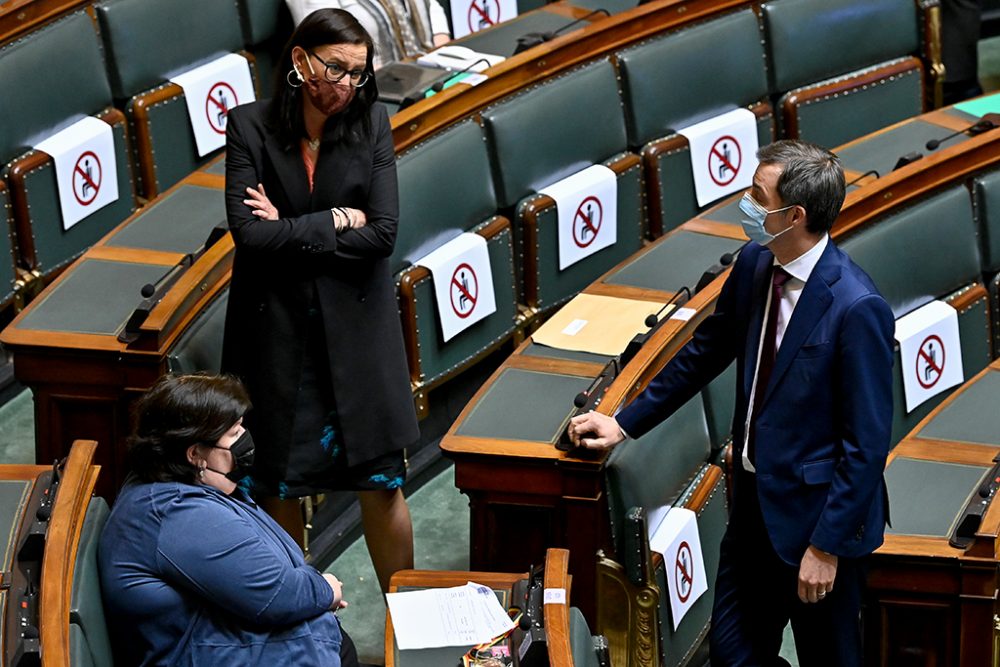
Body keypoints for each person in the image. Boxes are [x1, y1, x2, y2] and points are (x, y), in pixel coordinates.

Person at [568, 140, 893, 667]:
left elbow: (866, 444)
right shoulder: (754, 264)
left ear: (794, 216)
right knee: (734, 657)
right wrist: (624, 423)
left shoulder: (857, 307)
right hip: (752, 512)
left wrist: (825, 548)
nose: (745, 204)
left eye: (755, 196)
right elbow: (704, 353)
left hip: (817, 526)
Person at [222, 7, 420, 594]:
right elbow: (250, 237)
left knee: (381, 483)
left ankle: (406, 618)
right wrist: (334, 220)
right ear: (301, 60)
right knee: (278, 484)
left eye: (359, 73)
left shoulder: (372, 125)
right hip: (277, 338)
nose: (347, 85)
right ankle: (302, 616)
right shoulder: (249, 127)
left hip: (358, 337)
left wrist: (294, 228)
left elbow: (383, 233)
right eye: (336, 69)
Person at [98, 374, 359, 666]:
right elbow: (277, 594)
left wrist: (312, 594)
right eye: (234, 434)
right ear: (195, 454)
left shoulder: (184, 481)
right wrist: (325, 590)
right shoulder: (179, 516)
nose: (245, 440)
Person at [286, 0, 451, 69]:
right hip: (369, 94)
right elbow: (328, 50)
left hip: (427, 71)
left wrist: (442, 59)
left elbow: (433, 9)